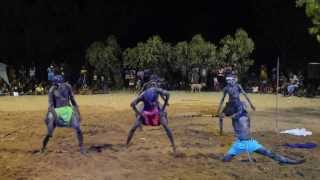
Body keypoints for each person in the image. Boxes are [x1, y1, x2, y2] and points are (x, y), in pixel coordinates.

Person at [222, 101, 304, 165]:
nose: (245, 107)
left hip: (248, 142)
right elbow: (229, 112)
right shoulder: (239, 116)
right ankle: (285, 160)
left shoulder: (241, 116)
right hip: (239, 143)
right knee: (225, 160)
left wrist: (225, 115)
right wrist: (225, 114)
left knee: (268, 153)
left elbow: (232, 113)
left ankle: (285, 160)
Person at [126, 81, 176, 153]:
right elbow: (132, 104)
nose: (153, 86)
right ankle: (126, 145)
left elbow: (167, 94)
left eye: (154, 85)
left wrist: (164, 105)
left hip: (156, 111)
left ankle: (174, 146)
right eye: (152, 85)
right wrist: (139, 113)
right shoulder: (145, 94)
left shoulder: (155, 91)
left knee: (166, 126)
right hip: (147, 112)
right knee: (133, 128)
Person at [41, 75, 85, 154]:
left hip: (67, 109)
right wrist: (55, 116)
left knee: (78, 127)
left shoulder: (68, 87)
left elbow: (73, 100)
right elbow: (51, 106)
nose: (56, 85)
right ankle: (43, 147)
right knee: (49, 132)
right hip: (56, 110)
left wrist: (78, 113)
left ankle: (82, 147)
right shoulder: (52, 90)